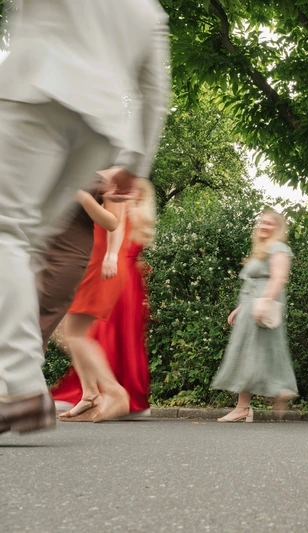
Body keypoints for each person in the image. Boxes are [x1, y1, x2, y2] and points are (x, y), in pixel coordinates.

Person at [0, 1, 169, 432]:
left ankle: (17, 386)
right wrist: (136, 164)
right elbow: (156, 92)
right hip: (102, 126)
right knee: (29, 242)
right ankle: (17, 386)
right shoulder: (148, 11)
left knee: (7, 231)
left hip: (36, 93)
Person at [51, 179, 157, 416]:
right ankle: (92, 393)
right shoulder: (115, 195)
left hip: (110, 272)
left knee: (81, 333)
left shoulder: (119, 197)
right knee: (76, 331)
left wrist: (110, 255)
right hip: (106, 270)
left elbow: (115, 227)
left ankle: (111, 392)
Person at [212, 210, 298, 422]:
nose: (264, 226)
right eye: (262, 222)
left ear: (277, 228)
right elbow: (252, 286)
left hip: (263, 306)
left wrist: (264, 302)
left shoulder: (279, 248)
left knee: (248, 353)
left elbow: (279, 279)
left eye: (269, 223)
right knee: (257, 352)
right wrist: (240, 308)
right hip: (253, 305)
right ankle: (278, 390)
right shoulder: (262, 250)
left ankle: (245, 406)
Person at [38, 185, 124, 355]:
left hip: (67, 253)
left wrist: (82, 197)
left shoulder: (112, 172)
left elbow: (113, 222)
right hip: (31, 242)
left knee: (38, 325)